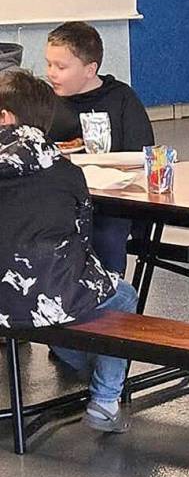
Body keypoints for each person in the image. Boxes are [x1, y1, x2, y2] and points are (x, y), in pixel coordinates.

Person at [0, 70, 138, 433]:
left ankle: (85, 363)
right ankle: (105, 399)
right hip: (40, 296)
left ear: (5, 117)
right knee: (121, 296)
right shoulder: (66, 172)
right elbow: (80, 241)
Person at [45, 22, 154, 275]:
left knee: (107, 235)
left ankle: (108, 290)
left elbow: (142, 155)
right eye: (48, 64)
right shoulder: (46, 102)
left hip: (111, 202)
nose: (51, 73)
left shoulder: (121, 98)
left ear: (90, 69)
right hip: (60, 198)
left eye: (61, 67)